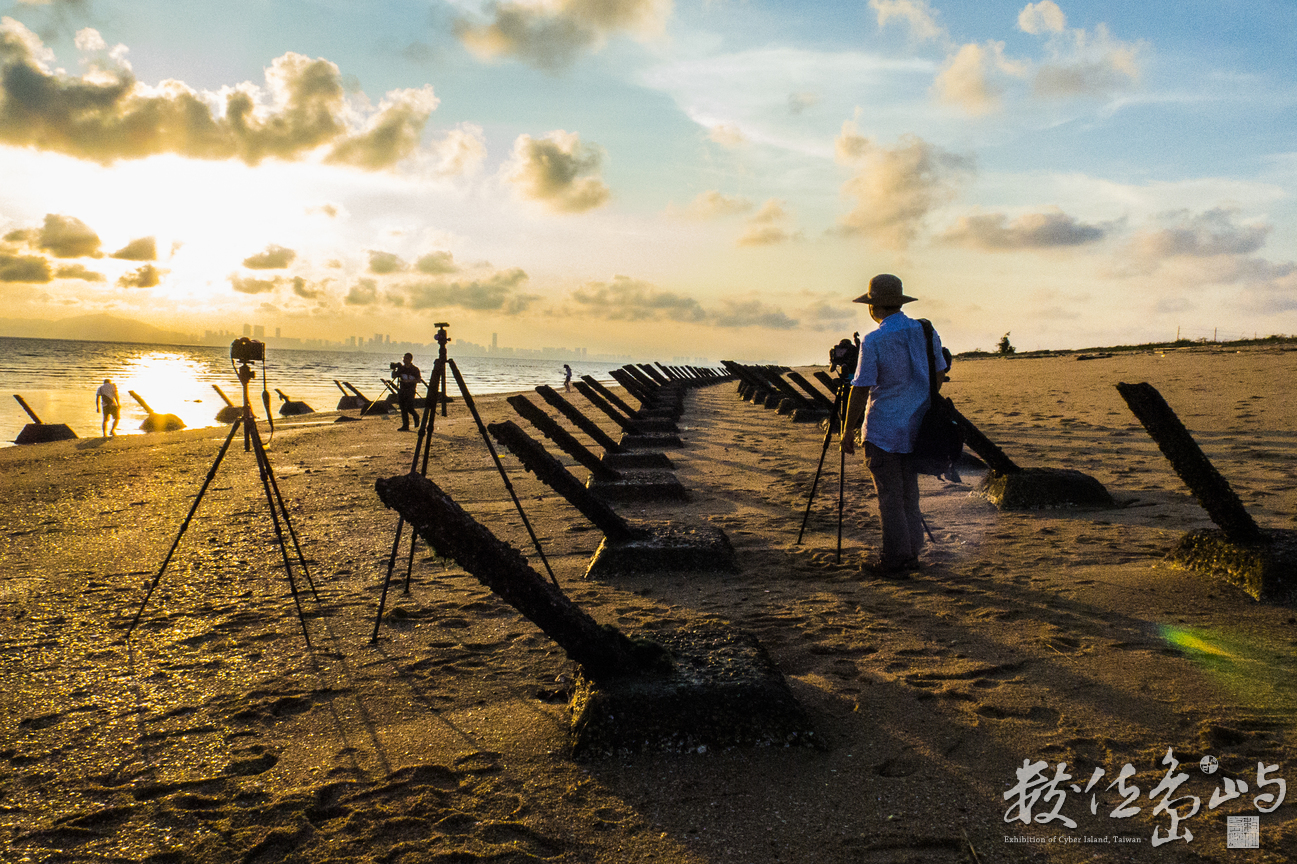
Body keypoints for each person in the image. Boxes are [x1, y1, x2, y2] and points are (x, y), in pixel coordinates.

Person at [840, 274, 947, 575]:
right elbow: (939, 372)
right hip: (918, 425)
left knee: (889, 497)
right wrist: (919, 398)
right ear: (898, 302)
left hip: (884, 427)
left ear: (873, 308)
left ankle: (896, 558)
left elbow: (861, 387)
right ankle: (912, 552)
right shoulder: (925, 331)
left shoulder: (874, 340)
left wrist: (848, 428)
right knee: (908, 495)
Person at [392, 353, 423, 431]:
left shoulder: (415, 369)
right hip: (402, 390)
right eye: (404, 358)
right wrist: (394, 369)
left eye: (407, 358)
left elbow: (419, 380)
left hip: (410, 390)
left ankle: (416, 416)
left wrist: (409, 381)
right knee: (403, 408)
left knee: (409, 407)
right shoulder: (401, 368)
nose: (405, 360)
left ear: (410, 359)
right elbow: (394, 376)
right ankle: (405, 426)